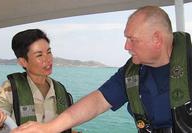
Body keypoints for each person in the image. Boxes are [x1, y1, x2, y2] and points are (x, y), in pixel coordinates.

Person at [11, 5, 192, 133]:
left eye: (132, 39)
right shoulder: (132, 73)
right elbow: (97, 102)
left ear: (157, 39)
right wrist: (48, 128)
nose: (126, 46)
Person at [0, 29, 79, 133]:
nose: (48, 59)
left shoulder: (60, 90)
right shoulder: (8, 89)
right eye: (39, 55)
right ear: (23, 62)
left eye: (49, 52)